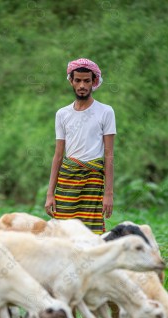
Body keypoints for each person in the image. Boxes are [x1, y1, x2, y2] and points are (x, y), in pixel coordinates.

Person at [45, 58, 116, 234]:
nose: (82, 85)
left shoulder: (106, 111)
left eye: (86, 80)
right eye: (78, 80)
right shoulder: (62, 114)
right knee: (63, 232)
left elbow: (109, 155)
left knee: (90, 233)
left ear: (94, 82)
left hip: (93, 180)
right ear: (71, 81)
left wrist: (109, 194)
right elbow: (58, 155)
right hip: (67, 179)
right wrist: (50, 194)